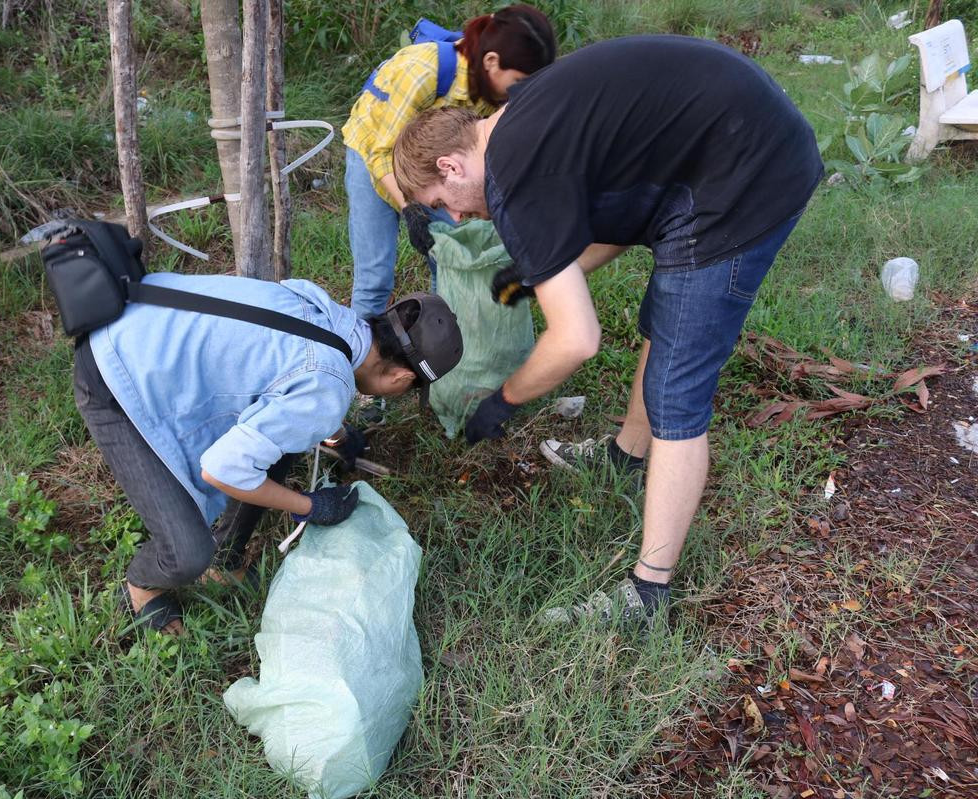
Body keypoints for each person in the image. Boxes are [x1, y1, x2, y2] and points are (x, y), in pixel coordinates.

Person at [392, 35, 823, 624]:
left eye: (446, 202)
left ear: (451, 165)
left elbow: (576, 339)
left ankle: (649, 596)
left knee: (677, 388)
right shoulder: (519, 124)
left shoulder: (513, 176)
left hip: (746, 174)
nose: (459, 217)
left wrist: (505, 398)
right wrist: (538, 274)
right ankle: (626, 456)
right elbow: (629, 204)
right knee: (664, 320)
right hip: (719, 150)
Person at [73, 274, 463, 633]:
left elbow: (285, 371)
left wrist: (337, 433)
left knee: (286, 441)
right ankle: (142, 583)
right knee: (188, 553)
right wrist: (307, 505)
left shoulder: (328, 313)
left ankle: (225, 561)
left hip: (139, 321)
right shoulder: (327, 387)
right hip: (114, 372)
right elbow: (222, 470)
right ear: (401, 378)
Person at [341, 5, 556, 319]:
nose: (521, 93)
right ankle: (361, 362)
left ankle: (443, 348)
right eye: (519, 81)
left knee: (448, 261)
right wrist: (409, 208)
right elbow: (379, 153)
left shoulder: (491, 96)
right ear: (492, 62)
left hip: (434, 172)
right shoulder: (422, 70)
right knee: (375, 278)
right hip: (373, 157)